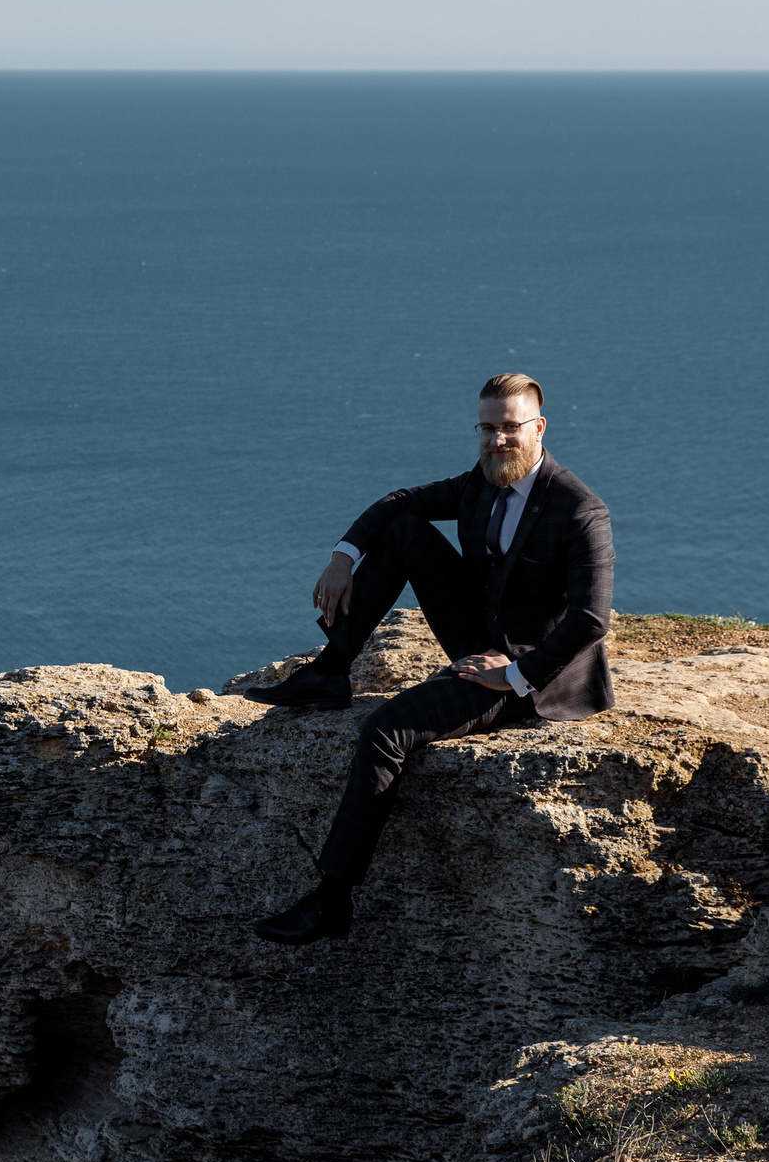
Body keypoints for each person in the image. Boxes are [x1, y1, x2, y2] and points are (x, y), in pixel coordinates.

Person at [242, 372, 615, 945]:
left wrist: (512, 675)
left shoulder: (580, 510)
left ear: (539, 428)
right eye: (487, 428)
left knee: (386, 728)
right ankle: (330, 670)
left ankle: (332, 900)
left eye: (510, 428)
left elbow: (591, 620)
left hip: (530, 678)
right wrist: (344, 556)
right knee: (407, 531)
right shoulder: (483, 483)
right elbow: (399, 501)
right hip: (481, 638)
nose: (497, 441)